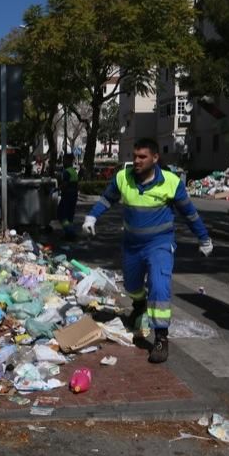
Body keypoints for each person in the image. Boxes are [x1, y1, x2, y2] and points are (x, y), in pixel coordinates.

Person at [82, 138, 212, 364]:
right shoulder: (124, 177)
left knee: (159, 286)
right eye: (135, 156)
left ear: (155, 158)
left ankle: (161, 337)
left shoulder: (170, 182)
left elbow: (189, 213)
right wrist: (92, 215)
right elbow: (107, 198)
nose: (137, 161)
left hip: (160, 244)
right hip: (132, 245)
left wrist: (204, 238)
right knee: (132, 286)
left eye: (142, 157)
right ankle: (139, 304)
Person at [57, 155, 80, 240]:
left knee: (61, 215)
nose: (63, 162)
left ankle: (69, 232)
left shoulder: (66, 172)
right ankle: (70, 233)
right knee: (69, 216)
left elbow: (65, 185)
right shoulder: (73, 171)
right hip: (74, 196)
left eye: (64, 160)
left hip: (67, 196)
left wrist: (57, 188)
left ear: (68, 161)